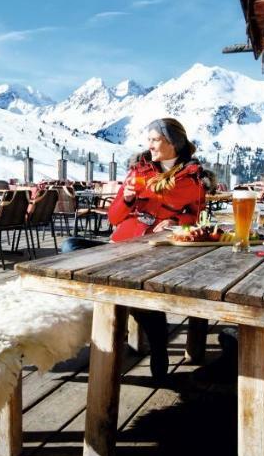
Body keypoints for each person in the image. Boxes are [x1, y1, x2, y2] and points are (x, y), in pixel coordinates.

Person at [62, 118, 206, 377]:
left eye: (155, 139)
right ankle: (151, 334)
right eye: (148, 139)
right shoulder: (138, 171)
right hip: (120, 244)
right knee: (70, 245)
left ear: (172, 142)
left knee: (136, 279)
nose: (149, 145)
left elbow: (195, 217)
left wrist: (173, 221)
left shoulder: (191, 178)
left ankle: (156, 344)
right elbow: (114, 218)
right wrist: (127, 199)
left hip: (157, 247)